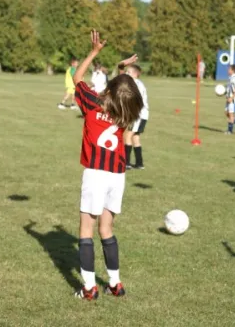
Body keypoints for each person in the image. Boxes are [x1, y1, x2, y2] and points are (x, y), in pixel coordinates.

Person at [73, 30, 143, 301]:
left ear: (111, 88)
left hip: (95, 173)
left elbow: (78, 78)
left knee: (86, 230)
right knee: (107, 230)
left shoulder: (92, 103)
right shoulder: (128, 113)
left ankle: (89, 288)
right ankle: (115, 283)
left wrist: (93, 52)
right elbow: (120, 94)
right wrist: (121, 71)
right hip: (117, 175)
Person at [119, 64, 149, 170]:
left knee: (127, 136)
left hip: (137, 115)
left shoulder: (135, 84)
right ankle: (139, 163)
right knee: (135, 138)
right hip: (143, 115)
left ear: (135, 74)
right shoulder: (138, 83)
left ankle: (126, 163)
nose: (126, 74)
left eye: (128, 72)